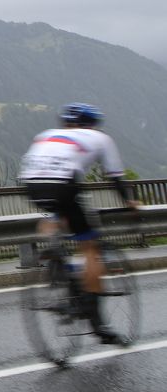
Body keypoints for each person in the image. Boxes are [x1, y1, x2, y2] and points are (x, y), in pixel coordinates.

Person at [19, 103, 139, 344]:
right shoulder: (100, 138)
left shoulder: (46, 135)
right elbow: (115, 177)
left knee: (59, 211)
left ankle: (55, 257)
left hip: (30, 185)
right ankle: (98, 323)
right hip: (64, 185)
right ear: (93, 124)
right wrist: (130, 202)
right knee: (90, 247)